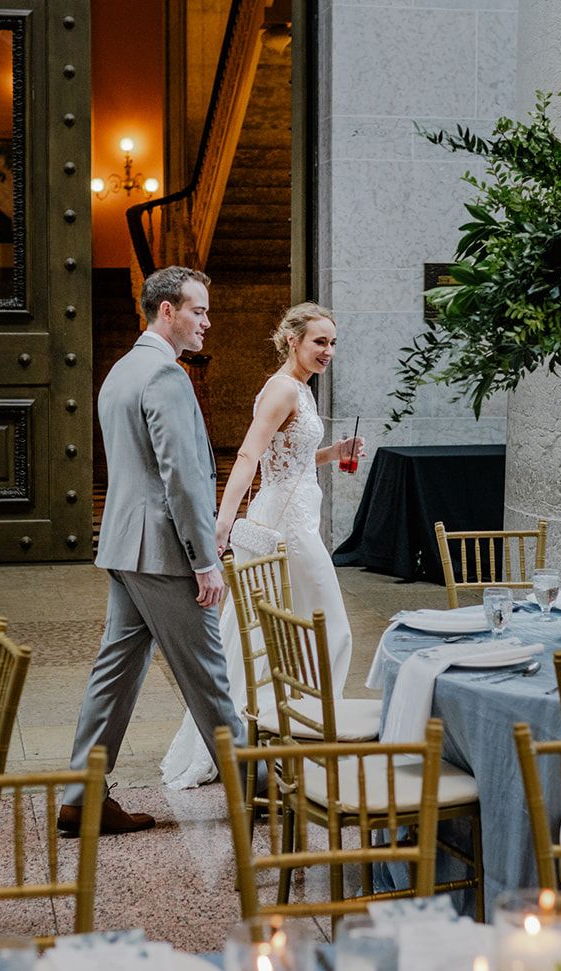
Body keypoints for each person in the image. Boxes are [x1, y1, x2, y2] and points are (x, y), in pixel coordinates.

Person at [57, 265, 245, 836]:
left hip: (123, 545)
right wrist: (205, 559)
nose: (207, 322)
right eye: (199, 311)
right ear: (168, 310)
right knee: (208, 674)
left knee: (114, 674)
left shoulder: (121, 370)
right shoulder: (165, 375)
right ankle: (259, 789)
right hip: (163, 552)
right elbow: (181, 477)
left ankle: (82, 797)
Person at [159, 302, 364, 789]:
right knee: (329, 629)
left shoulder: (301, 391)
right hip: (285, 529)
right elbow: (251, 452)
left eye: (333, 343)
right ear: (293, 340)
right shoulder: (281, 389)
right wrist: (223, 520)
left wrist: (331, 455)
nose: (328, 351)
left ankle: (272, 736)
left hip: (296, 519)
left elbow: (286, 459)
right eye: (319, 341)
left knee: (268, 633)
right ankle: (302, 734)